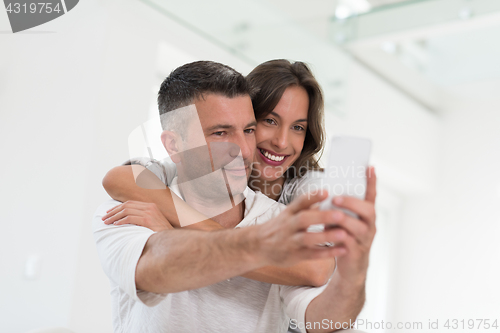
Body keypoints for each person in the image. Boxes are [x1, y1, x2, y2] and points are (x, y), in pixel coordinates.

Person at [93, 61, 377, 333]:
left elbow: (321, 313)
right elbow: (154, 270)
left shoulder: (289, 209)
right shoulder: (132, 208)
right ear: (174, 145)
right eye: (221, 132)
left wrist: (353, 273)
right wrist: (267, 245)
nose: (244, 149)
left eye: (248, 130)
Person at [102, 60, 335, 288]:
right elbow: (119, 179)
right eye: (270, 121)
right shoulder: (202, 169)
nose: (281, 142)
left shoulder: (311, 189)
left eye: (298, 127)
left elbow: (317, 268)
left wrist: (180, 231)